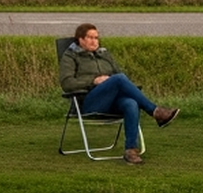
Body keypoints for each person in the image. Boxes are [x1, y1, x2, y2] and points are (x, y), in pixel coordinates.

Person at [59, 23, 178, 165]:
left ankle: (131, 150)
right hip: (88, 102)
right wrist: (93, 80)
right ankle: (155, 111)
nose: (94, 41)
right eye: (90, 37)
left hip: (110, 100)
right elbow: (67, 84)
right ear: (80, 39)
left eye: (96, 38)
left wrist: (110, 82)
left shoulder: (104, 54)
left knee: (131, 103)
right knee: (119, 78)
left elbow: (117, 77)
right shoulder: (70, 56)